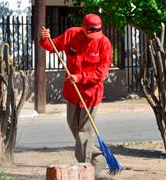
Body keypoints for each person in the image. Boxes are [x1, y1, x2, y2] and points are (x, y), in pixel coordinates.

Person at [38, 14, 112, 174]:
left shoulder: (104, 44)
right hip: (72, 93)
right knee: (74, 127)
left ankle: (84, 168)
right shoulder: (71, 34)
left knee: (84, 131)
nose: (93, 37)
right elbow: (53, 46)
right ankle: (99, 157)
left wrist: (80, 77)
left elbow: (101, 72)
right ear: (84, 27)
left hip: (91, 94)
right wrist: (45, 39)